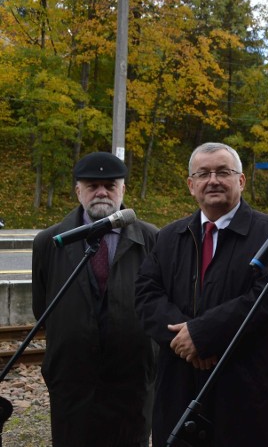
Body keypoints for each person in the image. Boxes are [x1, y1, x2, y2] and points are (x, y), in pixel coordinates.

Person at [135, 142, 268, 447]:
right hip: (179, 385)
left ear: (241, 181)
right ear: (192, 186)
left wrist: (202, 336)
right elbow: (146, 296)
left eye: (223, 172)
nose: (213, 180)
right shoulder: (169, 236)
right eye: (203, 174)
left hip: (243, 390)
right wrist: (187, 341)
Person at [32, 151, 158, 447]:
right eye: (92, 185)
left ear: (123, 189)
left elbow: (159, 306)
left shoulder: (152, 239)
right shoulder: (49, 242)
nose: (102, 192)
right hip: (73, 381)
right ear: (78, 191)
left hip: (132, 381)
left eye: (110, 185)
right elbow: (44, 309)